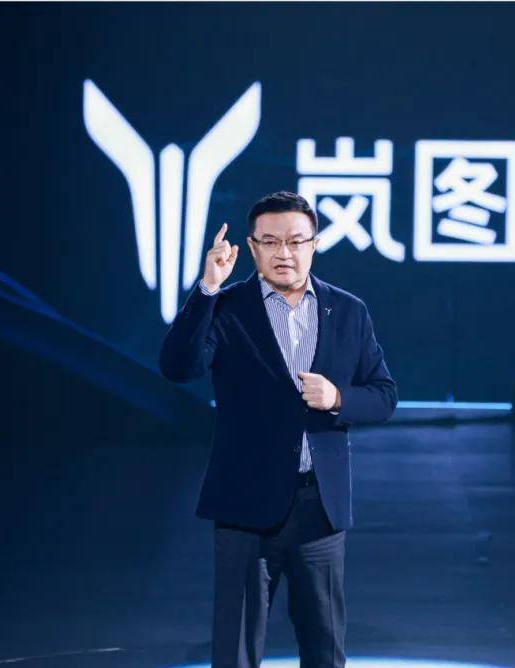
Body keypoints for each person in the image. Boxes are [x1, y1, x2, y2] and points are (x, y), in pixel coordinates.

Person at [158, 190, 398, 668]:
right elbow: (178, 366)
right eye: (269, 241)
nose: (283, 252)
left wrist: (338, 398)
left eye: (295, 240)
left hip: (318, 506)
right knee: (236, 651)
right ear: (251, 247)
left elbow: (384, 395)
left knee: (324, 649)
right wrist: (206, 289)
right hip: (244, 505)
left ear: (315, 243)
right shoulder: (227, 307)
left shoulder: (348, 311)